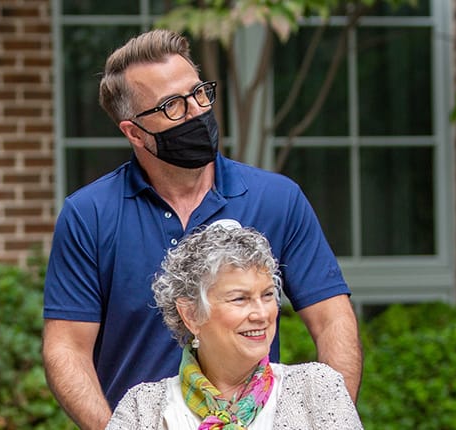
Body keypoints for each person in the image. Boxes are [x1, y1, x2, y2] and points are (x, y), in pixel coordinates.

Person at [42, 29, 362, 429]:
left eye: (199, 93)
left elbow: (333, 320)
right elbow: (67, 349)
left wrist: (330, 417)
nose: (195, 111)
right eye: (172, 105)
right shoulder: (89, 214)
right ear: (134, 132)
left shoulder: (277, 198)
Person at [105, 222, 362, 429]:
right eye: (240, 299)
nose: (261, 313)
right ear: (191, 314)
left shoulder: (316, 388)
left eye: (268, 295)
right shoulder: (143, 408)